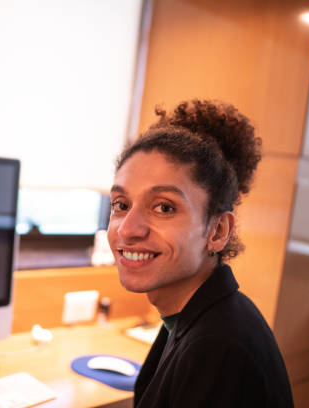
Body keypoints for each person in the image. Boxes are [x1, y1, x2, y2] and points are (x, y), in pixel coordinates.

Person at [107, 100, 294, 407]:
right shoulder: (192, 318)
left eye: (164, 207)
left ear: (218, 231)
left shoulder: (218, 349)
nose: (128, 229)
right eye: (121, 205)